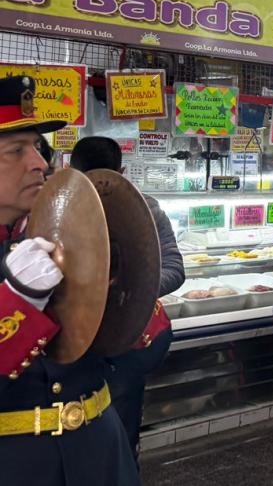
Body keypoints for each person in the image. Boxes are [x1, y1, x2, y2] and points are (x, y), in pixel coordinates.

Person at [0, 76, 140, 485]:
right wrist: (16, 301)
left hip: (101, 451)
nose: (40, 163)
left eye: (38, 148)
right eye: (16, 151)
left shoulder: (55, 235)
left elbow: (140, 336)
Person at [69, 136, 183, 461]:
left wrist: (131, 290)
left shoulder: (144, 208)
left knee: (118, 436)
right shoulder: (57, 211)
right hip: (73, 346)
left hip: (127, 344)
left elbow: (174, 267)